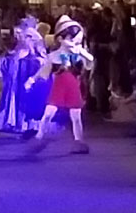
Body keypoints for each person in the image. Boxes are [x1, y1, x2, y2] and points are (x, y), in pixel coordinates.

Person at [27, 16, 95, 155]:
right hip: (59, 86)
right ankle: (39, 136)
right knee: (48, 113)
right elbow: (44, 70)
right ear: (60, 39)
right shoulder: (54, 56)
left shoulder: (79, 55)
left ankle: (79, 141)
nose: (74, 43)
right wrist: (32, 80)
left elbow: (90, 64)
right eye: (71, 39)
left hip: (73, 87)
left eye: (77, 40)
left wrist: (82, 52)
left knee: (76, 116)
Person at [0, 19, 48, 136]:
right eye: (23, 36)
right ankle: (17, 123)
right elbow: (6, 64)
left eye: (29, 37)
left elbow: (44, 64)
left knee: (29, 102)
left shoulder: (36, 59)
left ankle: (30, 124)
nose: (24, 38)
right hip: (16, 86)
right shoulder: (16, 55)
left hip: (29, 84)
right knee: (15, 100)